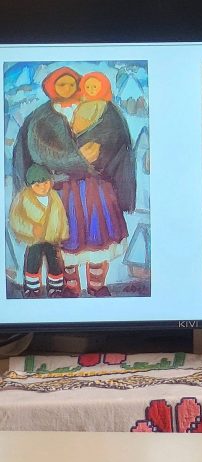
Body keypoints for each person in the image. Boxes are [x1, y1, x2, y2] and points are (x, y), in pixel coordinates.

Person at [11, 66, 136, 297]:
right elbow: (39, 152)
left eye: (71, 83)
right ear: (51, 88)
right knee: (65, 241)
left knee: (99, 236)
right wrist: (78, 159)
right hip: (61, 189)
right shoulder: (41, 117)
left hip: (96, 188)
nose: (67, 88)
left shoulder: (101, 108)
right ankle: (70, 286)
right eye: (61, 84)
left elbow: (116, 140)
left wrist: (97, 155)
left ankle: (97, 285)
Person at [8, 163, 68, 298]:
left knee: (55, 262)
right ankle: (32, 289)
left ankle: (56, 288)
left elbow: (61, 216)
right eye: (37, 185)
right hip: (34, 240)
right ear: (30, 185)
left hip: (51, 238)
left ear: (51, 181)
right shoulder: (24, 197)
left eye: (46, 183)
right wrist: (31, 229)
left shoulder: (54, 196)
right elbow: (15, 219)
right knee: (32, 262)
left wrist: (61, 234)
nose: (43, 187)